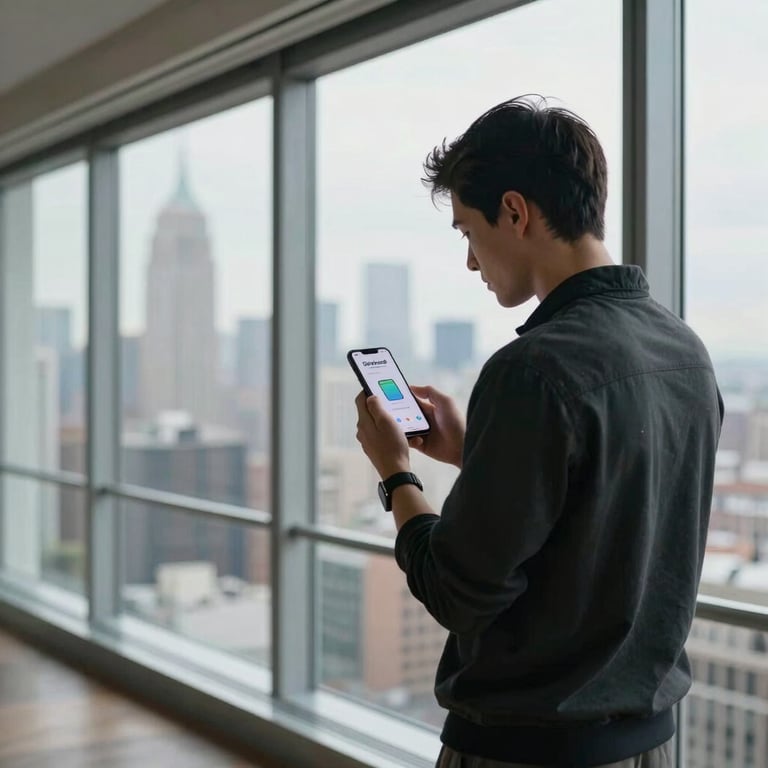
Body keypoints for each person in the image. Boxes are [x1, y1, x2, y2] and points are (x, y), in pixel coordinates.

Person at [353, 95, 723, 768]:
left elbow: (457, 593)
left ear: (515, 212)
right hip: (649, 746)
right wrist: (477, 452)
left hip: (526, 752)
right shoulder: (684, 351)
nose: (471, 262)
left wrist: (396, 472)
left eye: (468, 231)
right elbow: (597, 515)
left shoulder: (532, 369)